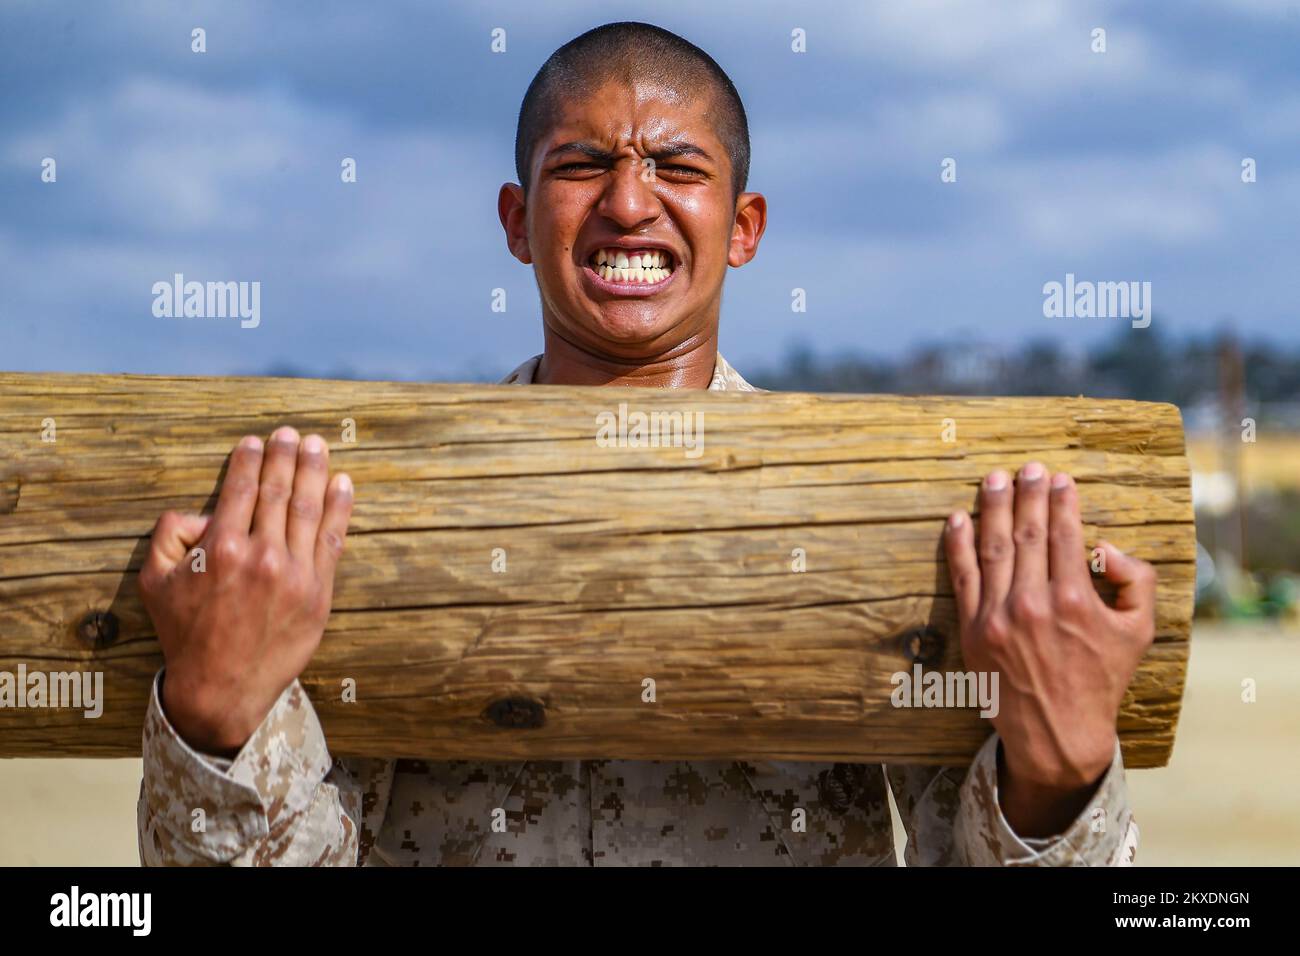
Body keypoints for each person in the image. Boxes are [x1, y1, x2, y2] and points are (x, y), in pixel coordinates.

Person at [136, 21, 1154, 866]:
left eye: (676, 166)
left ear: (744, 226)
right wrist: (217, 721)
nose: (628, 203)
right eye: (582, 166)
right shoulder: (366, 517)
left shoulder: (882, 512)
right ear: (517, 219)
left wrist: (1057, 777)